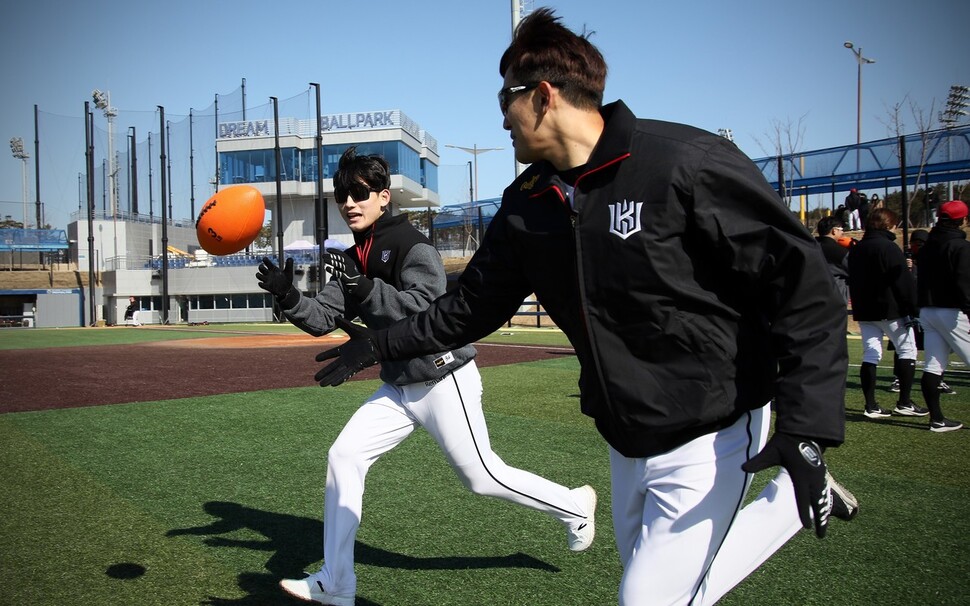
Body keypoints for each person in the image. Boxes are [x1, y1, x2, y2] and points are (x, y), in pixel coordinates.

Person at [313, 9, 859, 605]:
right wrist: (379, 342)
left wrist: (807, 426)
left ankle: (783, 501)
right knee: (668, 594)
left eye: (507, 95)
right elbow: (469, 307)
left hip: (717, 422)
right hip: (624, 436)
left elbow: (805, 286)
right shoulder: (526, 205)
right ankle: (782, 507)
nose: (500, 114)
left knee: (647, 600)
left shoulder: (684, 162)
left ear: (544, 96)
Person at [257, 147, 596, 606]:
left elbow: (431, 308)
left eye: (359, 193)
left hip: (443, 378)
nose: (349, 203)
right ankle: (337, 584)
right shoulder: (354, 257)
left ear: (383, 197)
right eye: (341, 196)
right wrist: (288, 296)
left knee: (481, 477)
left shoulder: (411, 244)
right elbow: (322, 317)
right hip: (398, 387)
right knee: (343, 457)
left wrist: (368, 289)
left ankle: (574, 506)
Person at [847, 207, 929, 419]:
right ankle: (904, 401)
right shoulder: (889, 248)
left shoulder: (857, 248)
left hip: (865, 310)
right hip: (891, 309)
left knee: (871, 354)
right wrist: (913, 308)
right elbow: (903, 282)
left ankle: (871, 405)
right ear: (888, 224)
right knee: (907, 351)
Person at [914, 200, 969, 432]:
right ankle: (936, 420)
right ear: (962, 220)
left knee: (933, 366)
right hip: (952, 311)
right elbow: (964, 283)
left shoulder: (927, 246)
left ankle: (936, 419)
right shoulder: (961, 247)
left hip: (927, 310)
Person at [816, 216, 849, 304]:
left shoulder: (809, 246)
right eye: (841, 229)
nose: (843, 232)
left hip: (811, 296)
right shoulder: (841, 251)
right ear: (834, 230)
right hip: (835, 298)